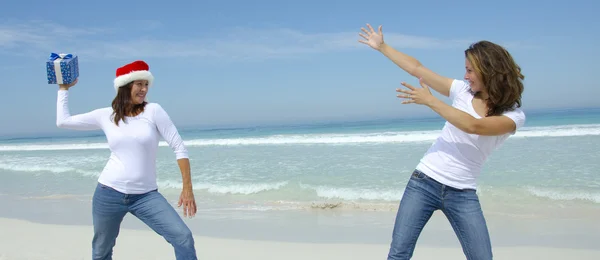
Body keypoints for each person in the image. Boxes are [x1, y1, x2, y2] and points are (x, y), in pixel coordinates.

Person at [358, 24, 526, 259]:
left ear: (489, 71)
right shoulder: (462, 91)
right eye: (465, 70)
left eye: (470, 71)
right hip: (423, 182)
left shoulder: (512, 116)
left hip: (463, 193)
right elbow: (417, 68)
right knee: (399, 254)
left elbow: (474, 125)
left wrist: (431, 101)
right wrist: (382, 47)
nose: (465, 76)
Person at [56, 60, 198, 260]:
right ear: (125, 86)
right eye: (138, 84)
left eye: (146, 84)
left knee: (183, 236)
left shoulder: (154, 111)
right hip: (108, 193)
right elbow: (63, 121)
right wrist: (63, 89)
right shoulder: (106, 115)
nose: (144, 89)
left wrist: (187, 188)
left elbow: (179, 148)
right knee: (101, 251)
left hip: (146, 196)